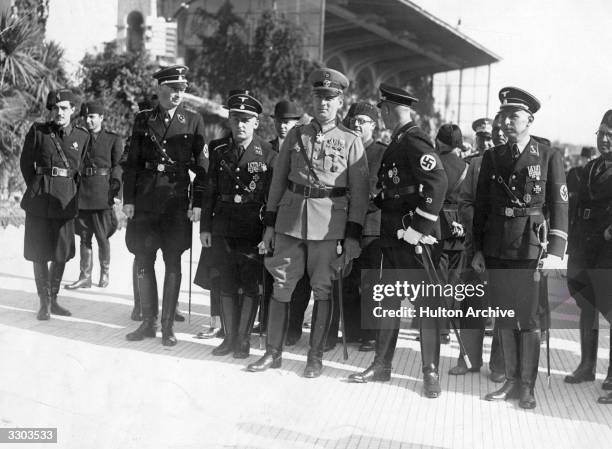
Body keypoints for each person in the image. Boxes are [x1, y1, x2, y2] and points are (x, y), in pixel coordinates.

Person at [247, 67, 369, 378]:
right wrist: (270, 224)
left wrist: (352, 237)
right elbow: (277, 182)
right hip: (290, 221)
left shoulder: (351, 141)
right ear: (312, 99)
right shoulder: (296, 136)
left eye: (330, 98)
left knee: (322, 290)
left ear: (340, 101)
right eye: (318, 97)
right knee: (281, 286)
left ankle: (314, 357)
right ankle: (273, 352)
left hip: (329, 227)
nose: (323, 103)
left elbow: (360, 193)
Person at [348, 84, 448, 399]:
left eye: (383, 112)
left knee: (426, 306)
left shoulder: (413, 140)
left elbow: (437, 181)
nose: (382, 117)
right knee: (389, 301)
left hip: (411, 237)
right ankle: (382, 364)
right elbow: (396, 188)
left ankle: (430, 372)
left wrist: (419, 228)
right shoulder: (400, 141)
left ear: (390, 110)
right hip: (393, 234)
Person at [474, 86, 568, 409]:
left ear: (529, 119)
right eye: (503, 116)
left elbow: (559, 203)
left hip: (531, 246)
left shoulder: (548, 155)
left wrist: (555, 251)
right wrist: (477, 249)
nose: (505, 123)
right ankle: (510, 380)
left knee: (528, 320)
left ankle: (527, 386)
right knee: (503, 315)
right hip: (498, 244)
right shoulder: (492, 157)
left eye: (513, 116)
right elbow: (481, 207)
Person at [123, 65, 207, 346]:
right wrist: (129, 199)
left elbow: (203, 167)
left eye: (182, 90)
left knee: (173, 261)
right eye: (173, 89)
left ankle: (168, 326)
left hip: (176, 202)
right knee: (144, 260)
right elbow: (132, 162)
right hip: (146, 201)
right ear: (159, 89)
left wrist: (198, 202)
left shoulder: (194, 121)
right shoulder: (142, 120)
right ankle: (148, 322)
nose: (178, 95)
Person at [200, 90, 276, 358]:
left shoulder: (267, 153)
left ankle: (243, 339)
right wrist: (205, 228)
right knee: (225, 282)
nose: (240, 124)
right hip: (222, 226)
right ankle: (229, 338)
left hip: (251, 229)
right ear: (229, 120)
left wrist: (269, 230)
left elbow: (271, 197)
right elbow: (209, 189)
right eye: (235, 118)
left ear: (257, 122)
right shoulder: (219, 149)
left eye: (246, 119)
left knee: (250, 284)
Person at [20, 89, 90, 320]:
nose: (59, 112)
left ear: (73, 110)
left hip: (64, 201)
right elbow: (25, 163)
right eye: (55, 108)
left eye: (64, 108)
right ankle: (44, 302)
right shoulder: (39, 131)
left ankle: (54, 298)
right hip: (39, 199)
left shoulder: (82, 135)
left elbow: (80, 172)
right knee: (39, 252)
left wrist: (70, 191)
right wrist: (37, 185)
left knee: (61, 252)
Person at [448, 117, 505, 382]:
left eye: (501, 133)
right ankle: (469, 359)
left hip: (508, 247)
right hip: (478, 245)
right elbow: (464, 201)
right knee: (473, 303)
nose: (498, 137)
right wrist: (480, 226)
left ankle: (500, 366)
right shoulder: (476, 164)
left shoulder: (523, 164)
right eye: (495, 133)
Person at [566, 111, 612, 404]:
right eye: (601, 133)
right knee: (586, 303)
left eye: (610, 135)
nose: (604, 139)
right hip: (584, 246)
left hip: (608, 249)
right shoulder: (591, 167)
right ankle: (587, 366)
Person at [261, 100, 312, 344]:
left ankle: (293, 326)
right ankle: (268, 322)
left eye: (289, 122)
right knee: (270, 273)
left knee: (298, 277)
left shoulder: (303, 148)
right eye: (280, 121)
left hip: (294, 220)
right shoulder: (266, 148)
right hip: (269, 219)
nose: (283, 126)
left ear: (297, 123)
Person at [339, 101, 386, 352]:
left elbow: (380, 190)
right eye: (353, 120)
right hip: (343, 222)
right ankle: (351, 331)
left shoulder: (381, 152)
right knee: (346, 280)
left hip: (370, 225)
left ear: (374, 126)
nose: (357, 125)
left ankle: (371, 335)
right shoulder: (344, 148)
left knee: (370, 282)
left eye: (363, 122)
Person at [65, 101, 122, 290]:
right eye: (85, 117)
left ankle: (104, 273)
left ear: (101, 118)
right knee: (84, 236)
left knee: (102, 236)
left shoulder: (113, 139)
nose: (88, 121)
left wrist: (116, 191)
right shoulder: (79, 137)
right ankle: (85, 276)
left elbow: (118, 167)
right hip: (82, 193)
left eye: (92, 117)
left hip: (102, 193)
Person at [434, 124, 468, 345]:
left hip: (437, 226)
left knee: (437, 279)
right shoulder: (467, 167)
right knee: (454, 281)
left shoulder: (434, 164)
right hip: (460, 227)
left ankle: (439, 329)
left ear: (439, 142)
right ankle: (450, 326)